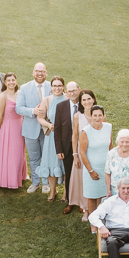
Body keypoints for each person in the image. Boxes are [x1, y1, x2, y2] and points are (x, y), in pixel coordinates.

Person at [0, 72, 26, 189]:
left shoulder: (20, 94)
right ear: (5, 83)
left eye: (13, 80)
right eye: (9, 80)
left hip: (19, 126)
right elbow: (0, 115)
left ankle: (18, 176)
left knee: (18, 153)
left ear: (16, 81)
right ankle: (5, 178)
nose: (11, 82)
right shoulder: (2, 96)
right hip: (7, 127)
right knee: (8, 153)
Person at [16, 63, 52, 193]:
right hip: (30, 129)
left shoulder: (52, 86)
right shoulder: (24, 88)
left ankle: (46, 183)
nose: (40, 74)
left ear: (46, 73)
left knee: (46, 157)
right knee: (34, 158)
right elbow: (18, 108)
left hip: (47, 129)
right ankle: (35, 182)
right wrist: (33, 111)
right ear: (33, 72)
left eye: (42, 71)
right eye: (37, 71)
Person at [35, 77, 67, 199]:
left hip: (65, 136)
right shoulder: (47, 100)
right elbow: (40, 117)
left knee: (65, 164)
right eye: (54, 86)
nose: (57, 88)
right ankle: (53, 191)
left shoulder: (68, 99)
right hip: (52, 136)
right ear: (51, 87)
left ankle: (66, 192)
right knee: (50, 163)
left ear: (63, 86)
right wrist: (49, 125)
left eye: (59, 85)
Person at [78, 104, 111, 220]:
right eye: (95, 115)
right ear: (91, 116)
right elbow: (82, 153)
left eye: (100, 115)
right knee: (92, 196)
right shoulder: (86, 131)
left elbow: (110, 146)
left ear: (103, 116)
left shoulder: (108, 127)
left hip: (106, 168)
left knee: (105, 195)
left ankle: (104, 219)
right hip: (92, 169)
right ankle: (93, 222)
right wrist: (91, 171)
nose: (97, 118)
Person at [66, 89, 96, 218]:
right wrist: (75, 155)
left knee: (94, 179)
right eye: (84, 100)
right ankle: (85, 208)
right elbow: (75, 136)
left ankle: (96, 207)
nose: (87, 102)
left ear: (93, 99)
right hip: (82, 152)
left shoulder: (99, 114)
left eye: (89, 99)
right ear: (81, 102)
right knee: (83, 180)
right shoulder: (78, 116)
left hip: (96, 153)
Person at [53, 81, 82, 213]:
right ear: (66, 92)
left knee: (82, 174)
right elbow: (57, 129)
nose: (72, 93)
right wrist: (59, 149)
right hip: (67, 146)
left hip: (83, 145)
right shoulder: (61, 106)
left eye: (74, 90)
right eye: (69, 91)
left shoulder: (85, 104)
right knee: (69, 174)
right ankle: (71, 202)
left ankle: (83, 202)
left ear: (79, 90)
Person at [104, 129, 129, 197]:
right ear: (117, 142)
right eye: (122, 142)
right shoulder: (111, 154)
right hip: (116, 193)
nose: (124, 144)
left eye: (127, 142)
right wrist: (108, 191)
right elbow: (107, 173)